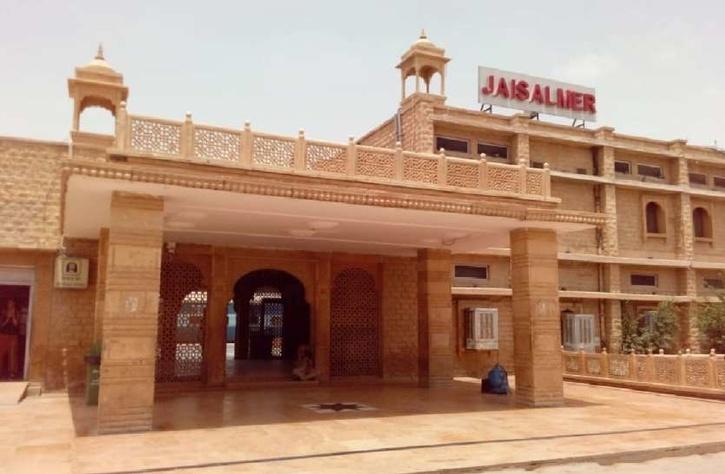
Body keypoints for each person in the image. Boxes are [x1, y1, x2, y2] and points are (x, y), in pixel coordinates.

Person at [0, 299, 20, 378]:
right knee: (1, 353)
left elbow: (16, 325)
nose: (10, 304)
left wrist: (13, 317)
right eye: (9, 303)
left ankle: (12, 373)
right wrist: (8, 319)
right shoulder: (3, 312)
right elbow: (1, 326)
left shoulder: (17, 313)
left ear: (14, 304)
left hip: (13, 336)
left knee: (12, 354)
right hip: (3, 335)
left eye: (12, 303)